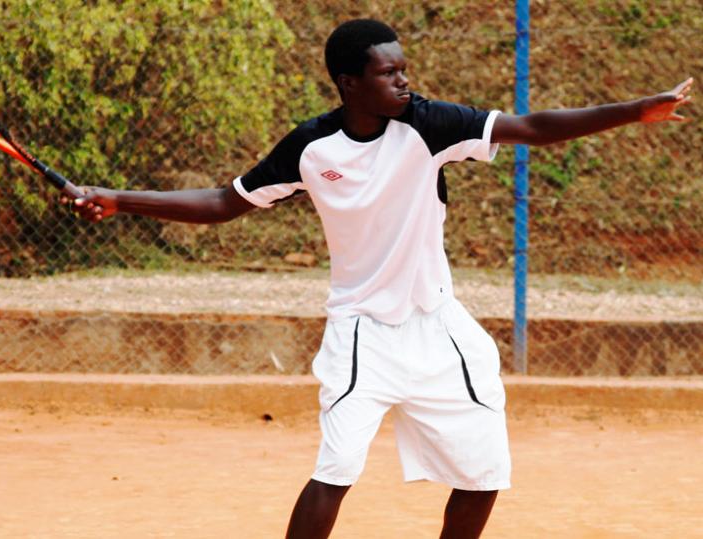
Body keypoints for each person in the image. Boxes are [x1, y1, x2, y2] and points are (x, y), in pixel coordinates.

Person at [65, 18, 692, 539]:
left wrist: (636, 111)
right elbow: (223, 202)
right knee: (335, 470)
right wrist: (120, 199)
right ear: (350, 82)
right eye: (388, 72)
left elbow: (529, 128)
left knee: (485, 473)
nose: (403, 79)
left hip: (439, 329)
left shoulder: (430, 124)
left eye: (403, 68)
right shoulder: (311, 149)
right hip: (362, 334)